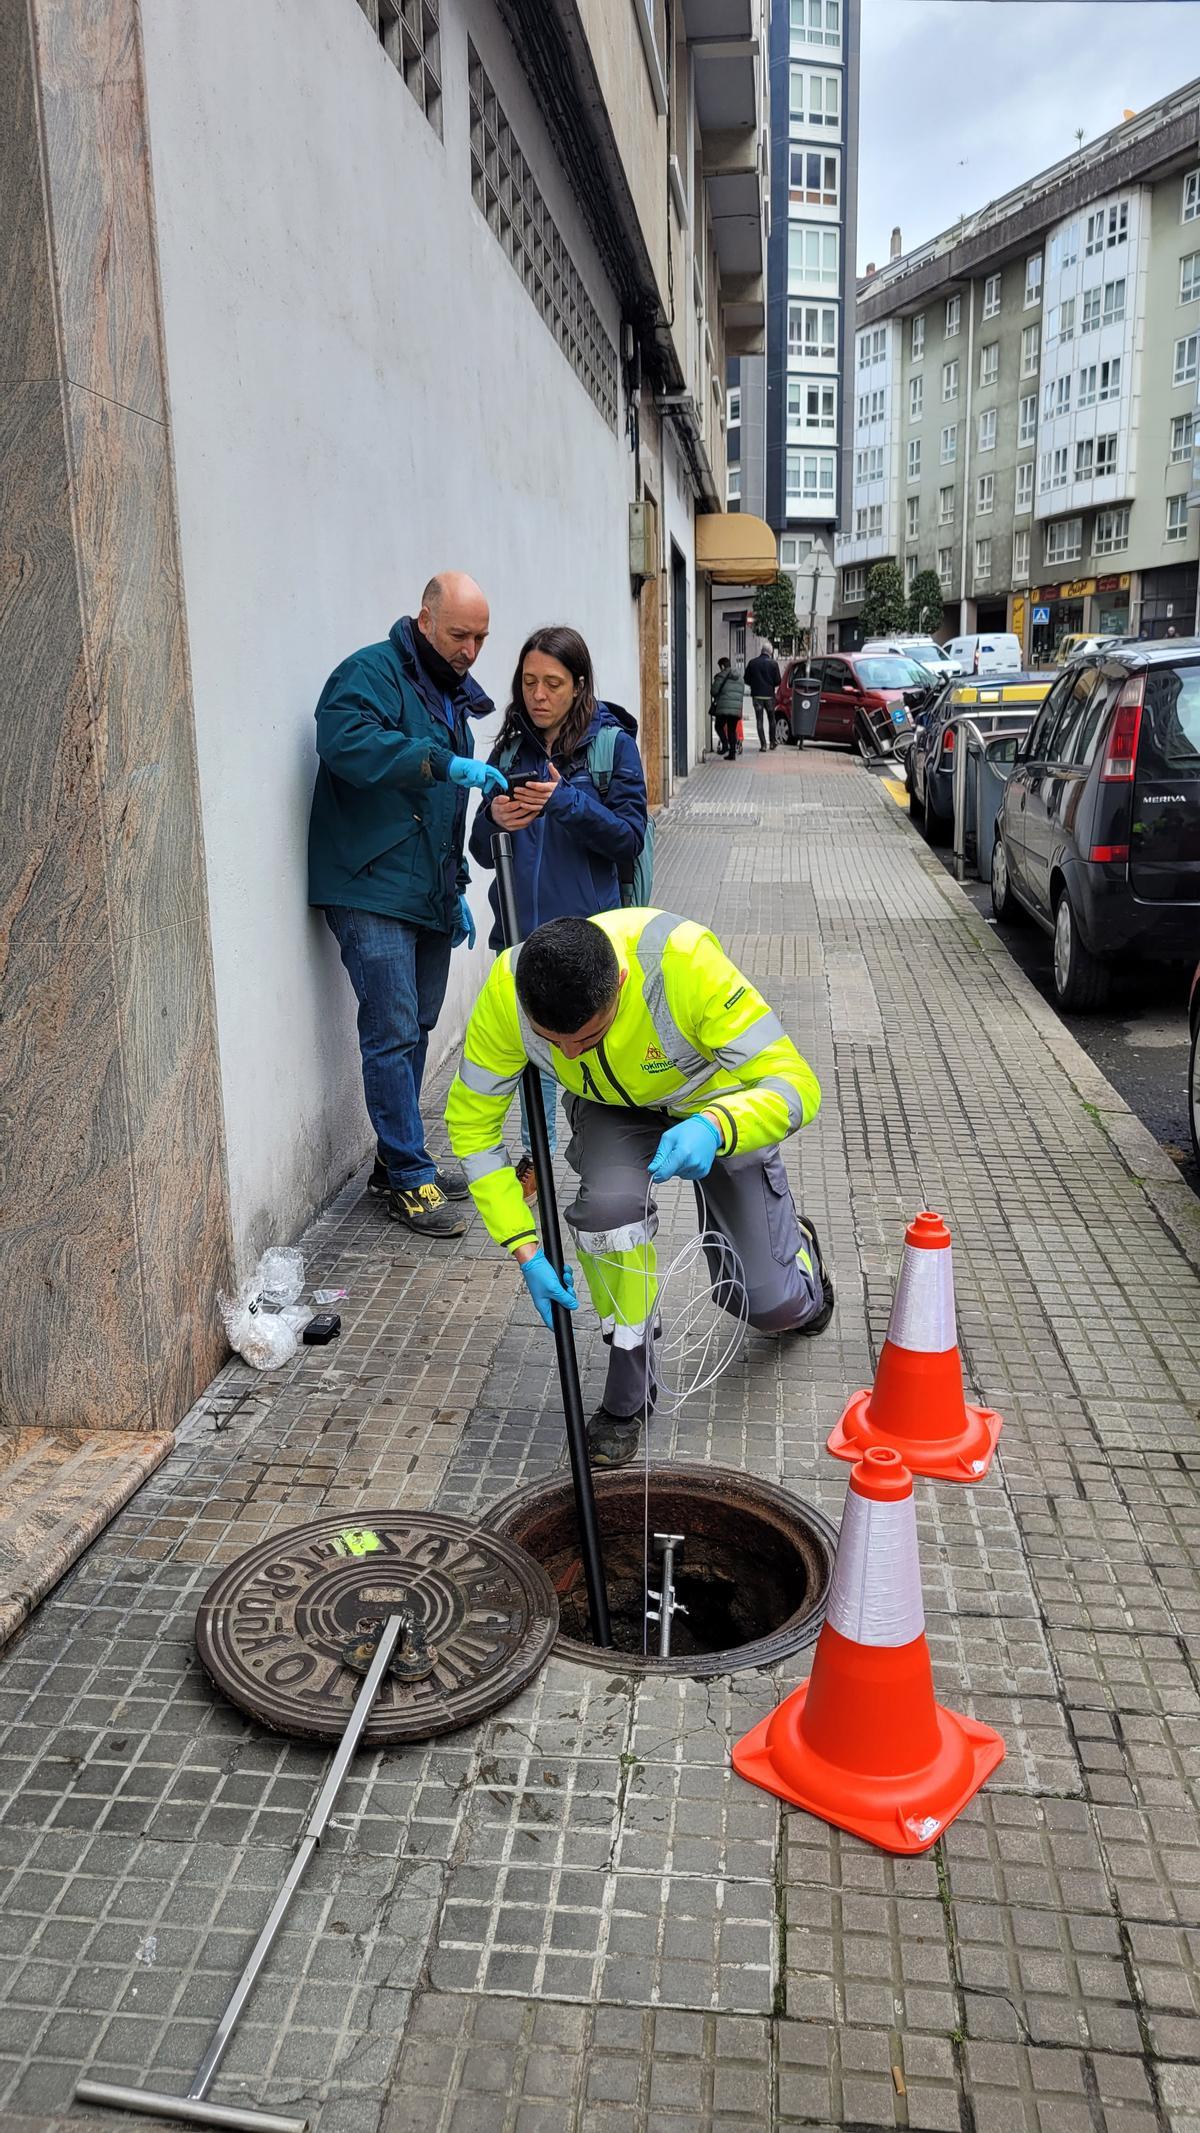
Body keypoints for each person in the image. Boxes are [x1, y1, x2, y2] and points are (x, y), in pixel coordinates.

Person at [445, 911, 834, 1467]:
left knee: (764, 1304)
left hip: (715, 1102)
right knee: (608, 1216)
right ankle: (628, 1397)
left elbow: (796, 1083)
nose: (571, 1054)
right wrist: (521, 1245)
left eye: (587, 1036)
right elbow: (472, 1127)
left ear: (621, 985)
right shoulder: (509, 993)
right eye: (553, 1044)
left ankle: (801, 1268)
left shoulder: (684, 964)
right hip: (607, 1109)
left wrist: (717, 1125)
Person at [308, 572, 507, 1237]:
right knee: (392, 1030)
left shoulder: (449, 696)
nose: (472, 650)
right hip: (369, 885)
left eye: (480, 637)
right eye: (459, 634)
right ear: (425, 620)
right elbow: (343, 743)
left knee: (417, 1025)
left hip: (423, 890)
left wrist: (455, 892)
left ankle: (398, 1161)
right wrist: (437, 761)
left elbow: (448, 813)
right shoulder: (367, 673)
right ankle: (410, 1175)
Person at [469, 627, 648, 1200]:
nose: (538, 695)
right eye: (528, 683)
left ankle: (606, 1155)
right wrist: (494, 817)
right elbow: (478, 847)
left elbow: (628, 838)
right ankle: (536, 1159)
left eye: (552, 683)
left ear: (579, 687)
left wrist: (566, 802)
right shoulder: (508, 751)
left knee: (591, 1048)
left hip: (591, 940)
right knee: (532, 1054)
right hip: (520, 937)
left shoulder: (612, 746)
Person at [744, 647, 782, 752]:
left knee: (759, 720)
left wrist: (754, 684)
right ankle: (772, 742)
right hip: (769, 696)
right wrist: (770, 685)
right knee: (772, 719)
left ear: (761, 651)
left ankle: (763, 745)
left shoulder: (752, 663)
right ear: (770, 652)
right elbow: (778, 681)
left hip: (757, 696)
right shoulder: (774, 664)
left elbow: (746, 679)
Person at [710, 658, 744, 761]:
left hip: (724, 707)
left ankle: (725, 745)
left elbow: (713, 691)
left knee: (718, 726)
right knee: (732, 730)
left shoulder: (721, 676)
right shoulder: (739, 677)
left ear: (722, 666)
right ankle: (732, 754)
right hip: (736, 708)